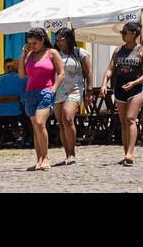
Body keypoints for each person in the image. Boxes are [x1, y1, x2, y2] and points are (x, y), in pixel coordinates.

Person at [102, 22, 143, 167]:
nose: (122, 35)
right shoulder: (118, 50)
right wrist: (105, 83)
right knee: (123, 122)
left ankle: (130, 153)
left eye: (125, 33)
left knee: (130, 119)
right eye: (122, 33)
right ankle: (126, 154)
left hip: (136, 88)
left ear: (134, 34)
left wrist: (135, 82)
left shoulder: (142, 51)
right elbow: (110, 69)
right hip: (120, 88)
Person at [18, 28, 64, 172]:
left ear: (43, 39)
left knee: (40, 123)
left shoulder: (52, 53)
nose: (32, 45)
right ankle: (39, 159)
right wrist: (23, 55)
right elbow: (21, 75)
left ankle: (46, 158)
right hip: (30, 93)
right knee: (36, 128)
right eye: (29, 43)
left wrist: (54, 89)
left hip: (46, 92)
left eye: (35, 42)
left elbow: (61, 73)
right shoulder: (30, 54)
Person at [52, 27, 92, 166]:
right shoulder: (55, 53)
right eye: (56, 40)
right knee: (61, 122)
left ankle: (72, 153)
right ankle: (67, 153)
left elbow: (88, 73)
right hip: (58, 91)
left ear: (69, 39)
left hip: (74, 90)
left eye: (61, 40)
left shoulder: (80, 53)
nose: (58, 42)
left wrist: (89, 91)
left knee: (68, 118)